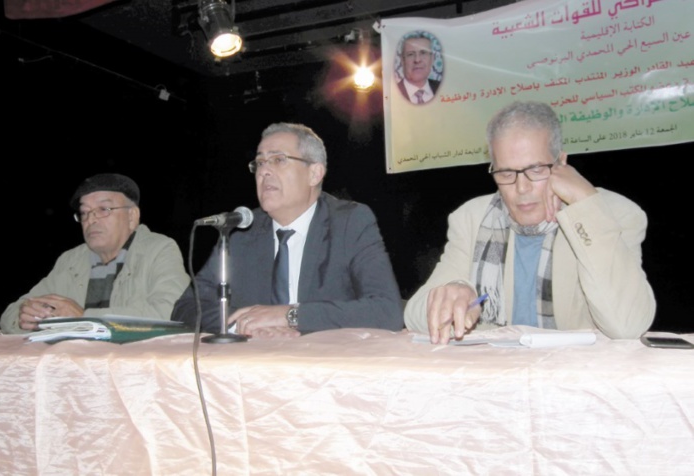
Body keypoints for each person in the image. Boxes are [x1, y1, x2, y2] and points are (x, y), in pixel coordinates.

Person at [404, 101, 655, 343]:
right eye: (506, 173)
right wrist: (454, 291)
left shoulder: (616, 214)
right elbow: (413, 315)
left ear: (562, 164)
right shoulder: (471, 219)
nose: (521, 187)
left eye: (536, 170)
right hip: (494, 376)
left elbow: (628, 324)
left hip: (577, 378)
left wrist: (585, 203)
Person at [172, 123, 403, 337]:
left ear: (314, 173)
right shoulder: (241, 233)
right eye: (260, 163)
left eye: (279, 160)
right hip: (254, 366)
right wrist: (243, 325)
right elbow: (186, 308)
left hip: (326, 367)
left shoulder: (350, 222)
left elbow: (386, 310)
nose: (264, 171)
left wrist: (290, 316)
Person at [0, 173, 190, 334]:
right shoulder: (71, 260)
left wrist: (84, 318)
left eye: (104, 209)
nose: (91, 219)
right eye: (84, 212)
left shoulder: (159, 249)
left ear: (132, 216)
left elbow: (174, 313)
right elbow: (10, 315)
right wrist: (25, 316)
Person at [397, 33, 440, 105]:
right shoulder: (392, 93)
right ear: (402, 60)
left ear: (432, 59)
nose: (417, 60)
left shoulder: (444, 89)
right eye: (410, 54)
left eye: (423, 53)